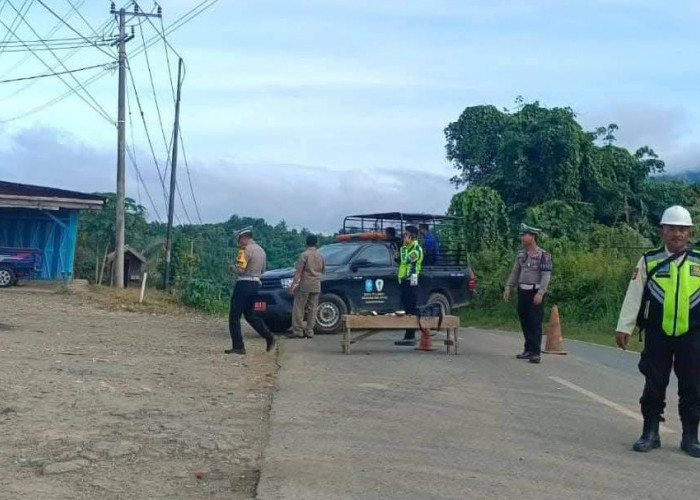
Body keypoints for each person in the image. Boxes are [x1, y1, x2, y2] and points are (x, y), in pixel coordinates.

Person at [615, 205, 700, 458]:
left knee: (693, 387)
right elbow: (634, 295)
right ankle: (650, 433)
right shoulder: (649, 260)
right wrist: (624, 326)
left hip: (693, 335)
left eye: (683, 229)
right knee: (654, 383)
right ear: (663, 231)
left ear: (690, 234)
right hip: (657, 334)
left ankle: (690, 437)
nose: (677, 234)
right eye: (672, 228)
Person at [503, 223, 552, 364]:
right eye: (521, 235)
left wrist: (541, 293)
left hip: (535, 292)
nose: (522, 237)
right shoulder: (521, 255)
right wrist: (508, 286)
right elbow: (515, 272)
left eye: (524, 235)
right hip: (522, 291)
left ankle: (535, 352)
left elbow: (546, 276)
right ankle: (528, 349)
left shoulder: (544, 255)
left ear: (532, 236)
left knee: (535, 322)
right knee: (524, 321)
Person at [227, 227, 276, 355]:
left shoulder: (244, 250)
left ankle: (238, 346)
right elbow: (264, 270)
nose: (239, 242)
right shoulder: (261, 251)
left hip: (244, 283)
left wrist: (232, 267)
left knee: (234, 316)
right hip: (255, 284)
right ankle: (268, 336)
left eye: (239, 239)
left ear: (244, 238)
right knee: (250, 315)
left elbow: (241, 269)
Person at [289, 234, 326, 339]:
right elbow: (323, 271)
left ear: (306, 243)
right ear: (316, 243)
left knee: (299, 308)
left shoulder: (304, 255)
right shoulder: (321, 256)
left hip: (304, 285)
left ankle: (298, 331)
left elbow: (298, 272)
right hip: (316, 285)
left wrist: (293, 286)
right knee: (313, 309)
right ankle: (310, 331)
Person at [394, 225, 424, 346]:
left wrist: (404, 247)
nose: (404, 237)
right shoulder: (406, 248)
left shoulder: (416, 249)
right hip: (404, 280)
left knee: (411, 309)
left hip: (412, 281)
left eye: (406, 235)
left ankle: (411, 336)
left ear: (412, 236)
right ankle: (408, 335)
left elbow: (406, 260)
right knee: (407, 309)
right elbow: (401, 261)